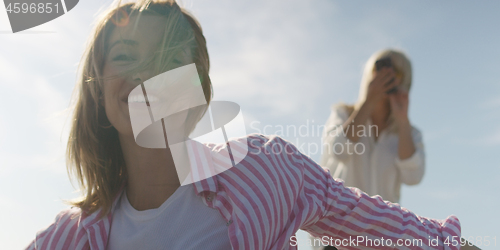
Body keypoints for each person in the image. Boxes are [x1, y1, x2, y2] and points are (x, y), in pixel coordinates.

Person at [26, 1, 477, 249]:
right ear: (98, 91)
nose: (146, 74)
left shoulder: (262, 168)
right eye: (125, 55)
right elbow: (340, 147)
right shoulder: (71, 236)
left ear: (199, 92)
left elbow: (365, 216)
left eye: (167, 58)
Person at [320, 49, 424, 204]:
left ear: (404, 82)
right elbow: (338, 150)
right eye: (380, 69)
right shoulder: (342, 114)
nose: (387, 77)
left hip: (384, 226)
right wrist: (368, 102)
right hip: (337, 222)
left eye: (397, 73)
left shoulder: (409, 133)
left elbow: (413, 177)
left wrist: (402, 122)